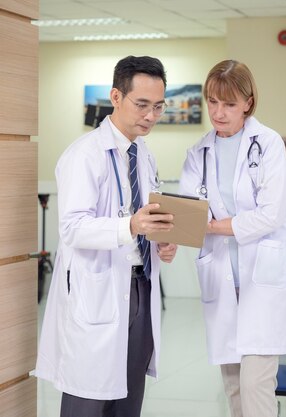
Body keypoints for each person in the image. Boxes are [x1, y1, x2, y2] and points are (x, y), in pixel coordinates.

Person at [35, 55, 178, 417]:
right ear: (116, 96)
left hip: (139, 287)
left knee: (128, 397)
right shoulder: (84, 155)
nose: (150, 116)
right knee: (89, 397)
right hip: (96, 290)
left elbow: (147, 217)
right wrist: (130, 226)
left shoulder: (143, 155)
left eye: (158, 107)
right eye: (142, 105)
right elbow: (71, 227)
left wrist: (161, 241)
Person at [178, 59, 286, 417]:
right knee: (233, 389)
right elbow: (187, 212)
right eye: (212, 102)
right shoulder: (198, 152)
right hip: (222, 279)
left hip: (261, 280)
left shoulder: (268, 144)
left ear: (248, 102)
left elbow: (270, 214)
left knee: (255, 386)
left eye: (228, 104)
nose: (218, 112)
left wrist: (213, 225)